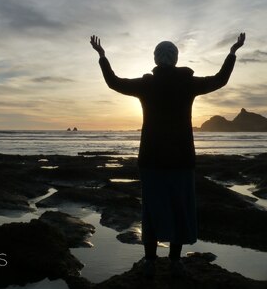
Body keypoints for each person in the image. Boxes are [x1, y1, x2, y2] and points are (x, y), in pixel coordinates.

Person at [90, 33, 246, 278]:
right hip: (181, 158)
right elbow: (220, 79)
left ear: (155, 58)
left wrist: (102, 57)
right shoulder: (187, 83)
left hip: (152, 158)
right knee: (180, 208)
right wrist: (232, 52)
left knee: (151, 210)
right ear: (176, 59)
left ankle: (150, 261)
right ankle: (175, 261)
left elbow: (114, 82)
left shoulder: (146, 85)